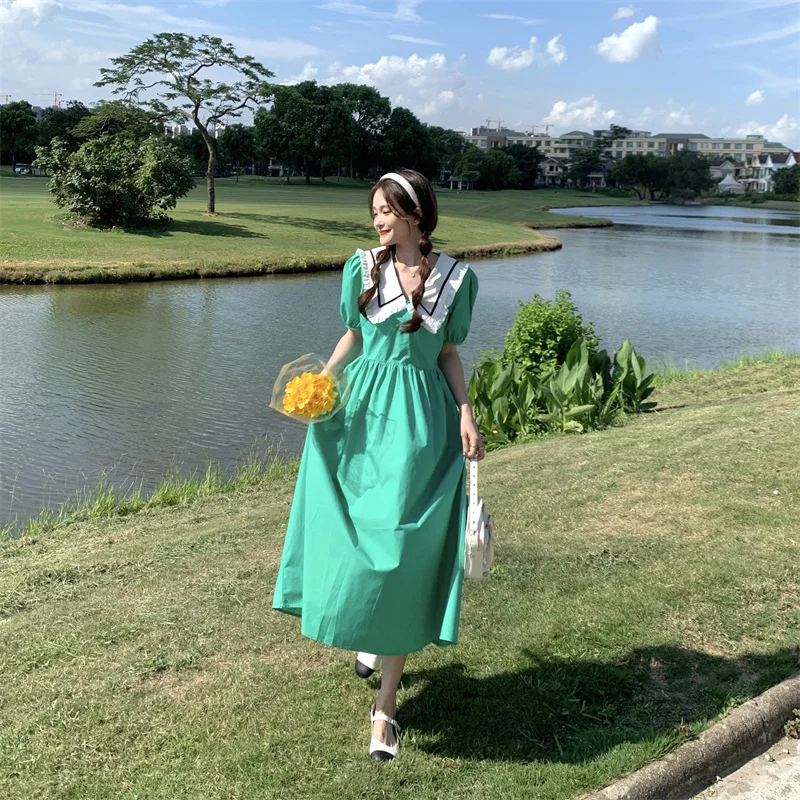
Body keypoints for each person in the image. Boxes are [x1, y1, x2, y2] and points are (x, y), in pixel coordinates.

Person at [271, 168, 484, 761]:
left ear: (415, 214)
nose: (378, 220)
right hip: (361, 418)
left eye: (387, 211)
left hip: (420, 425)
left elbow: (447, 352)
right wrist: (320, 383)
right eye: (374, 212)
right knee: (354, 534)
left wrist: (466, 412)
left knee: (402, 549)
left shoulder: (455, 278)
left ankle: (385, 707)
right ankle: (373, 634)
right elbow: (354, 337)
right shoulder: (361, 268)